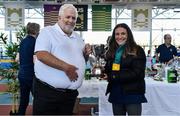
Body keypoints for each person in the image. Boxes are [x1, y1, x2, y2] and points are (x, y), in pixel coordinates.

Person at [33, 4, 91, 115]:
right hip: (48, 94)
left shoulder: (78, 38)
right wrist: (66, 67)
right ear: (59, 18)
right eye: (67, 17)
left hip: (69, 95)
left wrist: (86, 54)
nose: (71, 20)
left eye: (73, 18)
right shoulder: (47, 32)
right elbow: (41, 54)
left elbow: (81, 60)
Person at [104, 23, 147, 115]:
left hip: (132, 93)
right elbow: (108, 69)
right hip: (116, 92)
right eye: (117, 34)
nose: (120, 36)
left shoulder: (137, 50)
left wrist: (115, 76)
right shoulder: (112, 50)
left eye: (123, 34)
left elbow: (137, 73)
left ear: (128, 35)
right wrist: (104, 72)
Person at [17, 22, 40, 115]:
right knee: (38, 99)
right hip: (31, 74)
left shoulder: (23, 41)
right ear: (36, 31)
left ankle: (20, 114)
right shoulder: (35, 42)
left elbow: (18, 58)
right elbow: (37, 59)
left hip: (22, 74)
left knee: (24, 99)